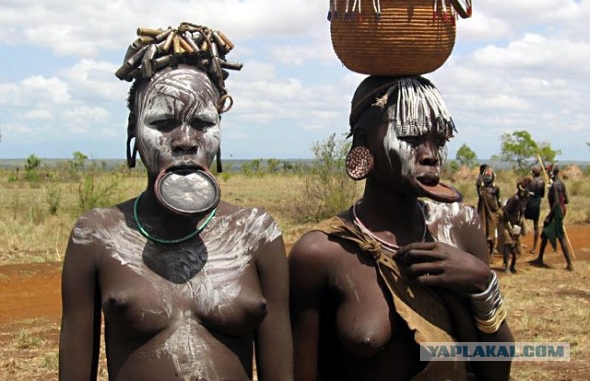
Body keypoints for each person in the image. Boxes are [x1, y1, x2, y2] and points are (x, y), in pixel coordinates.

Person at [59, 22, 293, 380]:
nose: (185, 140)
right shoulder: (97, 236)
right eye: (164, 122)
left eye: (201, 122)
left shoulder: (256, 233)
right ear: (133, 131)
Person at [289, 75, 513, 381]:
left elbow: (496, 372)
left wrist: (483, 285)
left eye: (440, 140)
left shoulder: (462, 227)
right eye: (410, 138)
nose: (431, 155)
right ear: (363, 141)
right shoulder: (321, 253)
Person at [530, 164, 574, 271]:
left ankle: (569, 264)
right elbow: (566, 200)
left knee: (560, 236)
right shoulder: (561, 184)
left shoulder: (555, 185)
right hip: (561, 211)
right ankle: (540, 258)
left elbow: (557, 203)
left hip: (556, 212)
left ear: (551, 173)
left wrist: (550, 216)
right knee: (545, 232)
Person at [497, 179, 528, 274]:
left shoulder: (524, 199)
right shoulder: (514, 199)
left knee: (515, 247)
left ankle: (513, 265)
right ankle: (506, 267)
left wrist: (519, 225)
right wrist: (510, 227)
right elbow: (505, 212)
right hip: (506, 224)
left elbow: (521, 212)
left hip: (515, 224)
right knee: (508, 244)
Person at [476, 165, 502, 260]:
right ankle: (484, 253)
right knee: (483, 232)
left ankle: (491, 252)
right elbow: (478, 182)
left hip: (492, 213)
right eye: (485, 176)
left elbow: (498, 201)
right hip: (483, 213)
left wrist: (501, 210)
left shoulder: (495, 188)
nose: (487, 178)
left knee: (491, 234)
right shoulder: (481, 189)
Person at [524, 165, 545, 254]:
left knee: (519, 221)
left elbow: (526, 191)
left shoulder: (529, 181)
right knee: (536, 226)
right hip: (536, 203)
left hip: (528, 203)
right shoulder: (542, 182)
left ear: (533, 173)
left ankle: (516, 244)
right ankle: (534, 247)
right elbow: (542, 195)